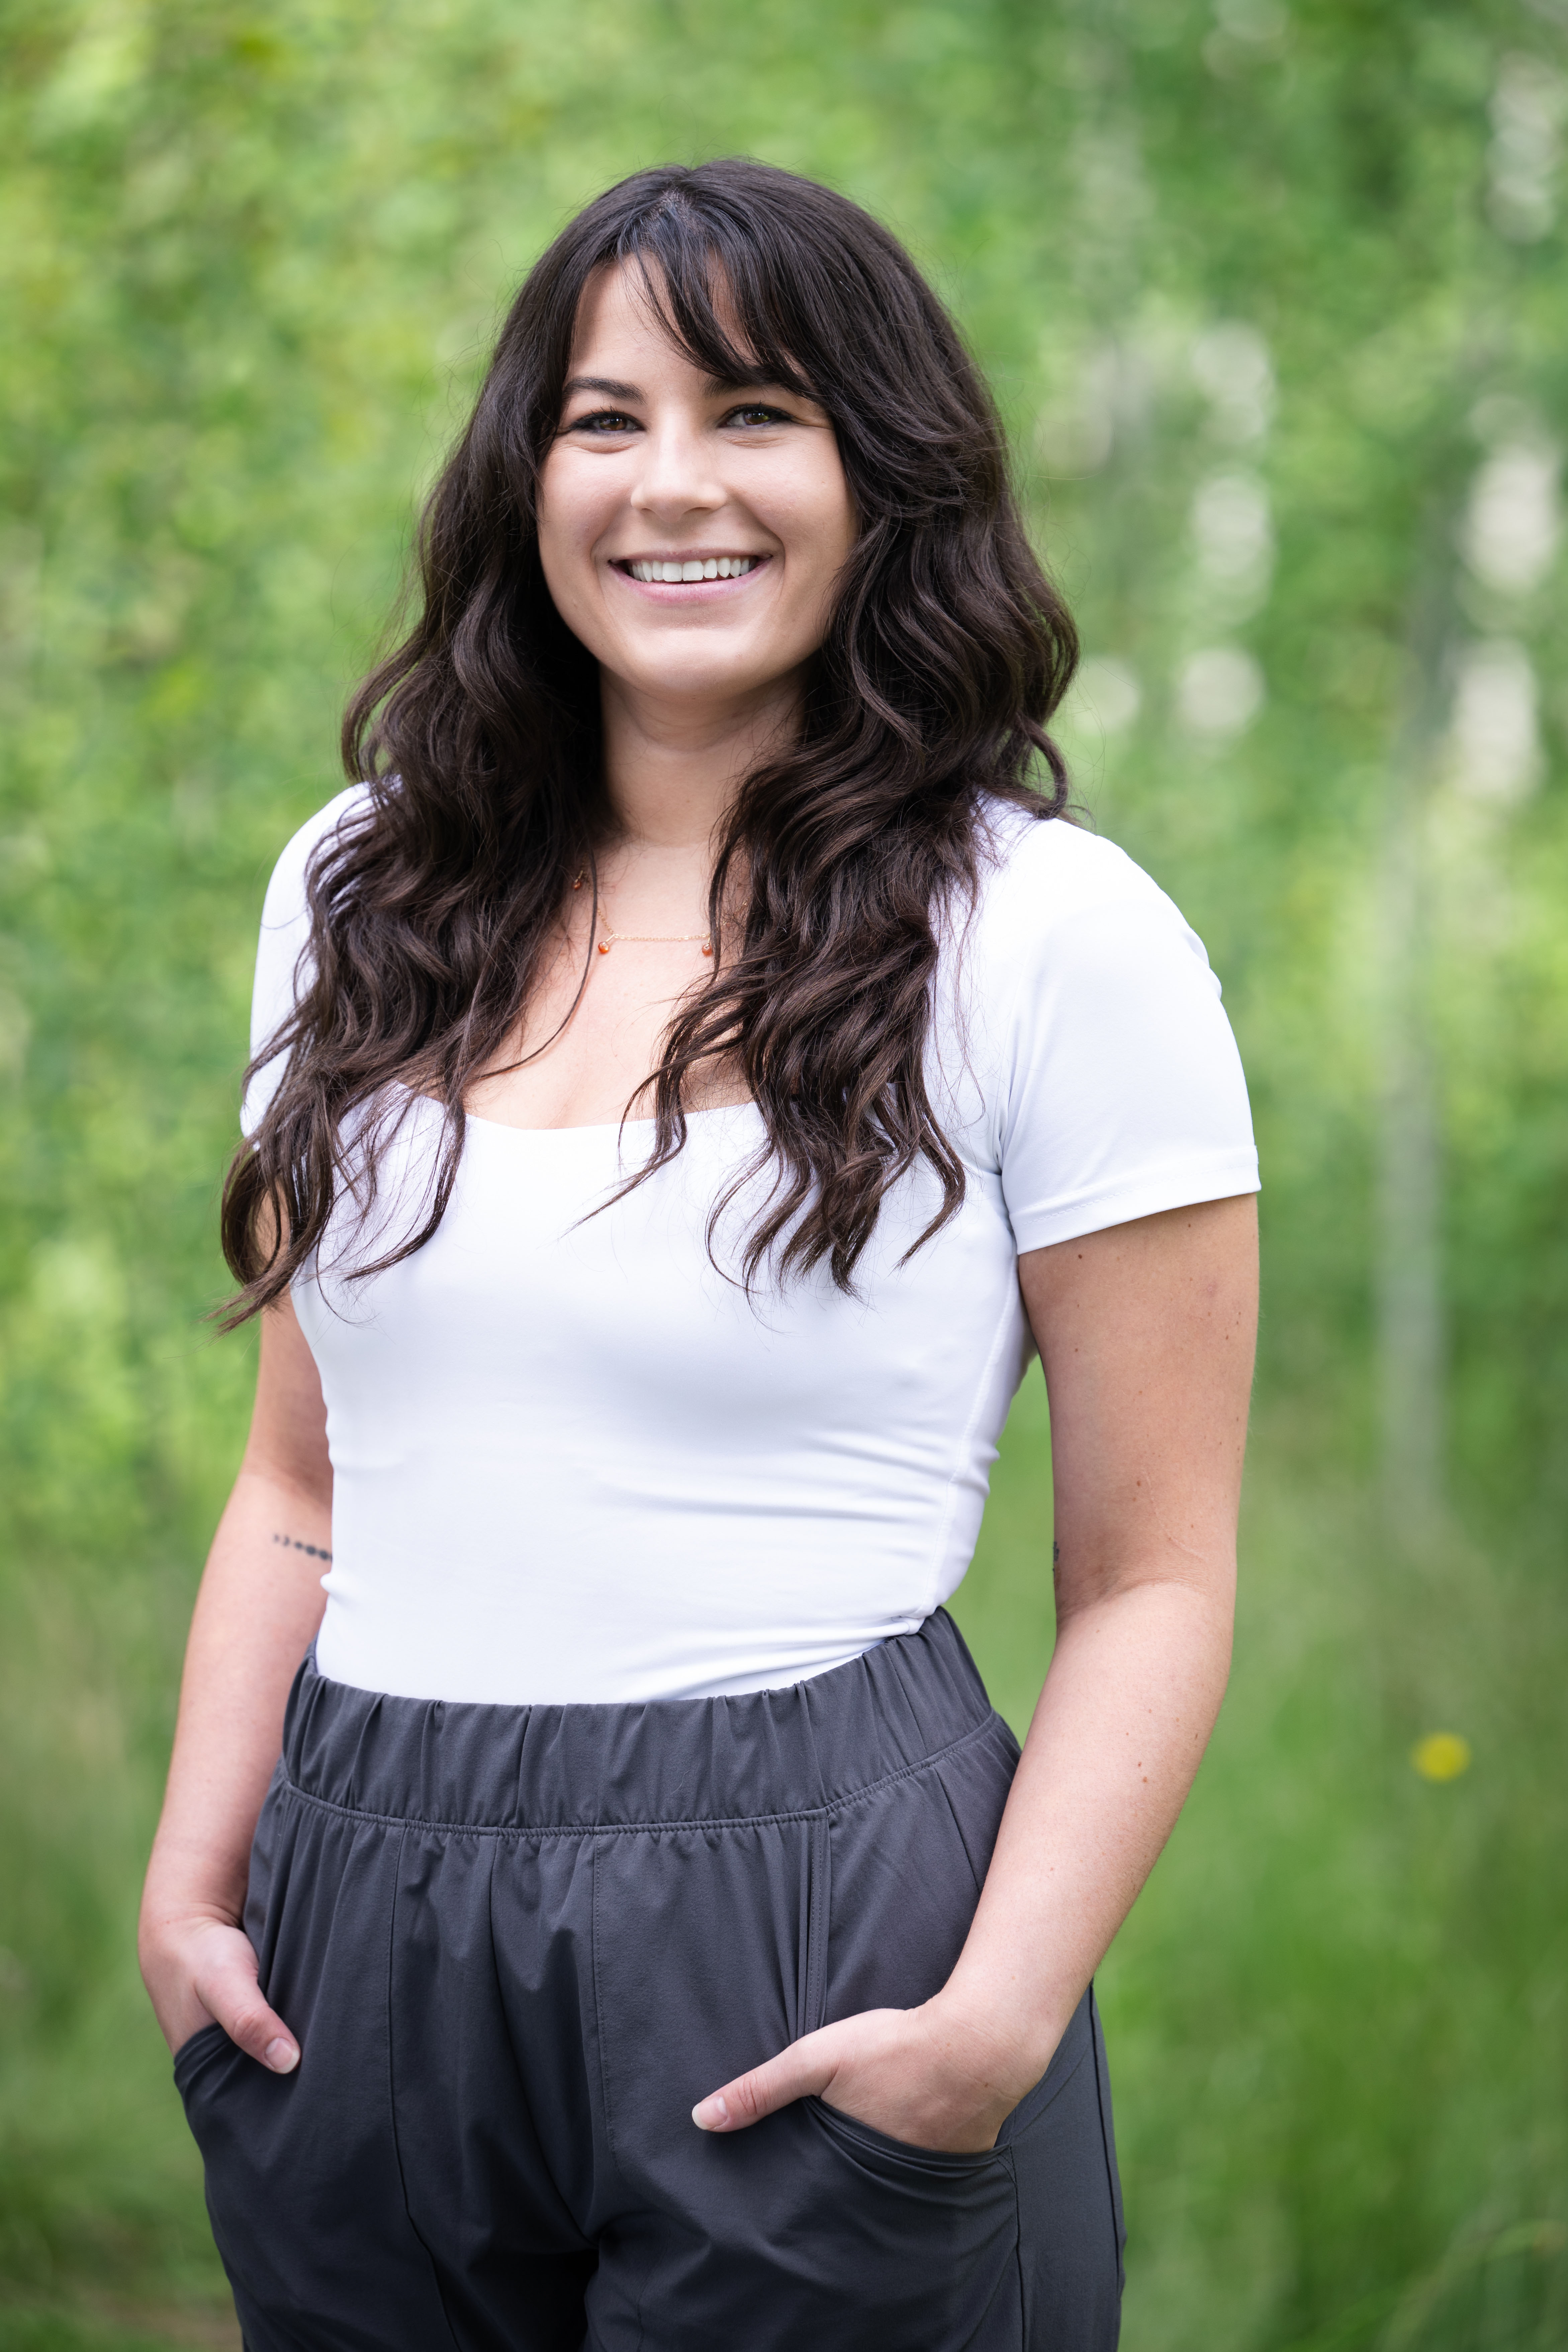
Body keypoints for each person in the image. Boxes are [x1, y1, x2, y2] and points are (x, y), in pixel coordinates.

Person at [138, 159, 1259, 2352]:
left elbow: (1156, 1575)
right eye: (605, 416)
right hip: (355, 1904)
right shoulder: (358, 885)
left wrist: (995, 2019)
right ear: (524, 474)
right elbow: (304, 1473)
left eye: (758, 413)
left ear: (882, 478)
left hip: (815, 1907)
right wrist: (197, 1881)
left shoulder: (1050, 935)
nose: (675, 486)